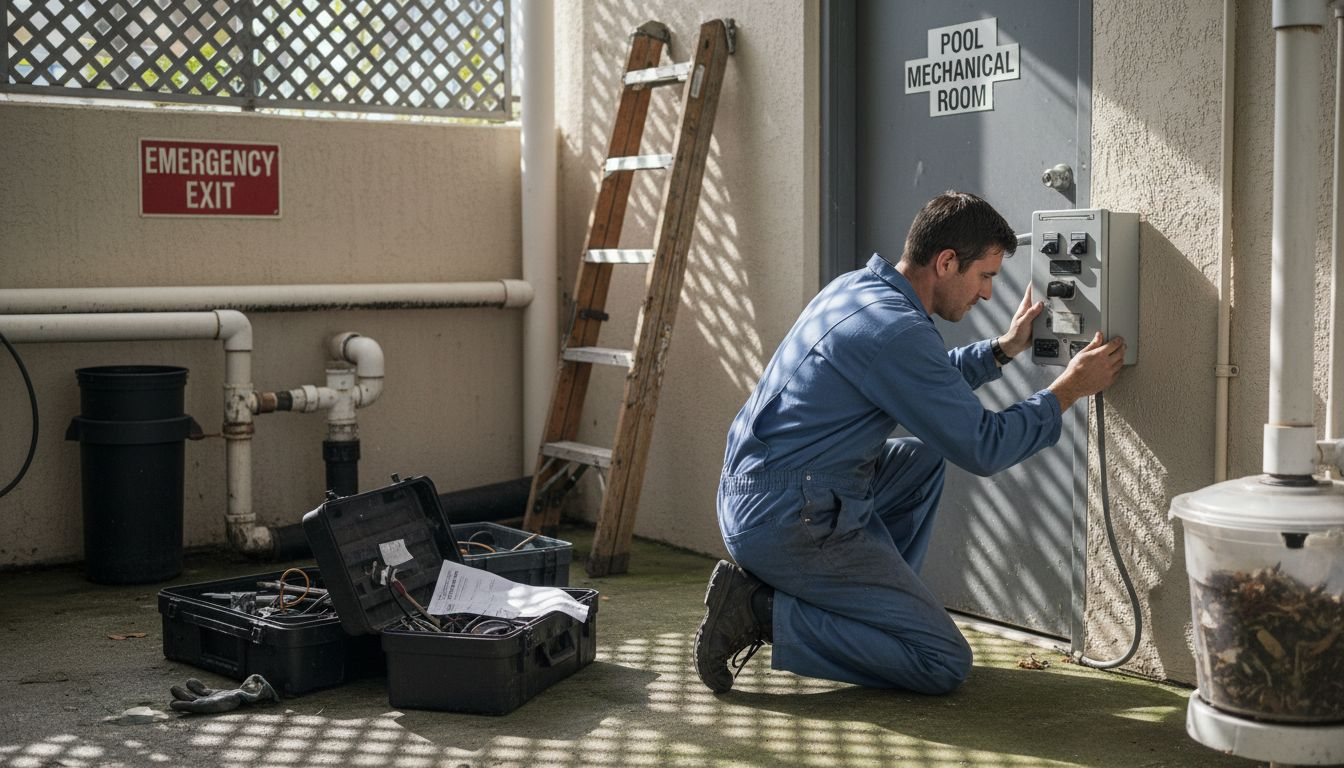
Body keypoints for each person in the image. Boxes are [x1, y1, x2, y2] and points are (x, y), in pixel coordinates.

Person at [693, 191, 1125, 695]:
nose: (987, 294)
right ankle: (759, 610)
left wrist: (1002, 351)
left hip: (766, 491)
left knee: (920, 460)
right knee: (941, 661)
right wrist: (1068, 389)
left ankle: (872, 610)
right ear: (946, 262)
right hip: (787, 517)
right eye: (985, 276)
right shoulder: (894, 329)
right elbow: (983, 447)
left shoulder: (858, 291)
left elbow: (924, 379)